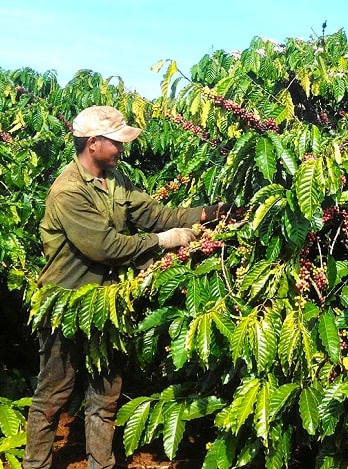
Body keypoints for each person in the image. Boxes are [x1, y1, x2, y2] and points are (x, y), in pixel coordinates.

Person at [23, 105, 227, 468]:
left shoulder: (115, 180)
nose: (121, 149)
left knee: (105, 394)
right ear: (93, 143)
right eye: (116, 142)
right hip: (67, 304)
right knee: (53, 393)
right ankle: (35, 464)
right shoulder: (69, 191)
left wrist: (209, 214)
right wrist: (162, 242)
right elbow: (106, 247)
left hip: (108, 302)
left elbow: (153, 215)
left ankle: (101, 465)